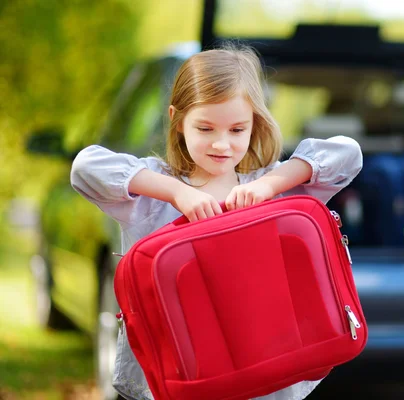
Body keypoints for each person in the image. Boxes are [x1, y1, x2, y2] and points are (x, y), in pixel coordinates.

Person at [71, 43, 362, 400]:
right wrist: (178, 193)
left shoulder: (270, 186)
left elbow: (347, 154)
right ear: (177, 120)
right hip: (185, 365)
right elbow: (85, 168)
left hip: (266, 363)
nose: (222, 144)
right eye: (205, 128)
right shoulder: (151, 194)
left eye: (237, 130)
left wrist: (270, 184)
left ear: (254, 122)